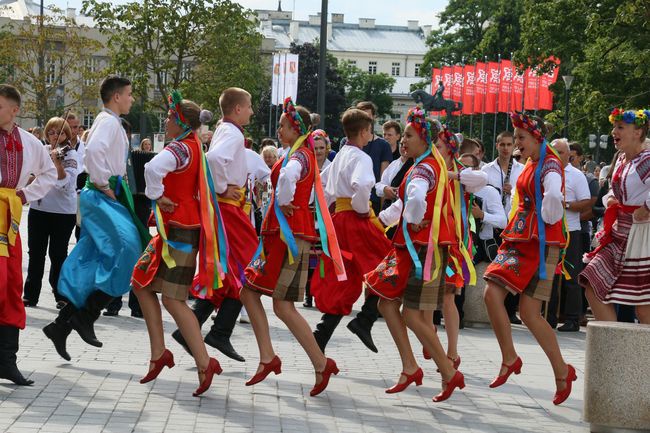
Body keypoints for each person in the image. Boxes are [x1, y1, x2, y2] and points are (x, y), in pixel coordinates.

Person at [42, 76, 149, 361]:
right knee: (129, 250)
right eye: (128, 94)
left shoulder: (109, 121)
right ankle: (86, 315)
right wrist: (103, 183)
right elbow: (94, 154)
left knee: (96, 256)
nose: (131, 99)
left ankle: (62, 325)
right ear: (116, 96)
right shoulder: (110, 122)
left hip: (103, 195)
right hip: (100, 195)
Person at [242, 97, 344, 396]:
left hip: (287, 234)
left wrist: (284, 201)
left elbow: (287, 179)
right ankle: (276, 358)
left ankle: (313, 361)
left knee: (278, 303)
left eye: (282, 125)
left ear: (295, 128)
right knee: (254, 292)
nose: (279, 129)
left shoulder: (299, 156)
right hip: (285, 233)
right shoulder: (298, 154)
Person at [365, 108, 465, 401]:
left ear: (423, 138)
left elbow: (417, 199)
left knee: (410, 313)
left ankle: (447, 370)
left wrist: (412, 218)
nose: (404, 141)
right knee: (385, 303)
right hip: (414, 247)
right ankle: (411, 366)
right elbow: (407, 202)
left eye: (408, 135)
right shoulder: (426, 164)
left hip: (421, 249)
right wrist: (380, 221)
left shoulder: (423, 168)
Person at [131, 91, 222, 397]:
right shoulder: (194, 145)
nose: (166, 121)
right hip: (177, 229)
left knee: (173, 299)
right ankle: (160, 353)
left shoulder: (181, 148)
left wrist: (157, 195)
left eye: (169, 117)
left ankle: (204, 361)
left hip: (179, 230)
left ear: (180, 121)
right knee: (141, 282)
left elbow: (151, 169)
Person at [483, 112, 576, 406]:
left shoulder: (549, 164)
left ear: (536, 137)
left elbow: (552, 202)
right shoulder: (533, 162)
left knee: (529, 313)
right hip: (520, 240)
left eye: (521, 138)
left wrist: (547, 204)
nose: (517, 143)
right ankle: (511, 357)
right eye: (516, 137)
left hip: (541, 243)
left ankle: (561, 371)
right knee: (491, 293)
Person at [171, 88, 257, 363]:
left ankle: (198, 328)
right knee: (248, 266)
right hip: (228, 209)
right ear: (238, 109)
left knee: (229, 270)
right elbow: (215, 159)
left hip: (226, 207)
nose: (253, 111)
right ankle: (219, 331)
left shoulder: (225, 130)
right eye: (250, 106)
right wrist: (222, 188)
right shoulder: (232, 133)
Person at [309, 109, 392, 353]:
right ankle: (365, 319)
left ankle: (321, 334)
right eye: (370, 130)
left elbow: (322, 184)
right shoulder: (362, 157)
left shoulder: (342, 154)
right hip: (355, 219)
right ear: (364, 131)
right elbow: (363, 185)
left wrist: (327, 212)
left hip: (338, 220)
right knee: (388, 264)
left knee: (345, 275)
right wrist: (362, 209)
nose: (372, 135)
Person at [0, 84, 56, 385]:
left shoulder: (29, 143)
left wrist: (24, 194)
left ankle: (7, 360)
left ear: (14, 110)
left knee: (10, 285)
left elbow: (49, 173)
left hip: (9, 220)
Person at [581, 108, 650, 323]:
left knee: (643, 306)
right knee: (592, 282)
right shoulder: (622, 159)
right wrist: (610, 199)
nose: (614, 132)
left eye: (620, 127)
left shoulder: (646, 159)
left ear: (638, 132)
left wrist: (647, 207)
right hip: (619, 232)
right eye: (614, 127)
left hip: (642, 235)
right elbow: (614, 189)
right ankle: (612, 345)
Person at [432, 126, 486, 367]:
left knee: (447, 297)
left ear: (450, 150)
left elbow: (482, 179)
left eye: (439, 146)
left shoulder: (461, 173)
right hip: (428, 243)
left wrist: (451, 175)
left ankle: (452, 351)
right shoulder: (428, 169)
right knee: (423, 298)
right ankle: (430, 340)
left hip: (452, 247)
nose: (435, 150)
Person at [22, 117, 79, 309]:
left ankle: (61, 295)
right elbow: (31, 174)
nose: (55, 137)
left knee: (58, 254)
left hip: (63, 212)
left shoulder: (70, 155)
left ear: (67, 135)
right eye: (51, 133)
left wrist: (57, 164)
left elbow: (66, 184)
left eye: (60, 133)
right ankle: (30, 295)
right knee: (36, 253)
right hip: (39, 209)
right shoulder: (43, 151)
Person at [482, 131, 525, 324]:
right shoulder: (487, 170)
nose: (506, 148)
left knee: (513, 267)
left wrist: (513, 191)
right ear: (497, 145)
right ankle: (494, 308)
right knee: (497, 267)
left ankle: (510, 310)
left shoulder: (521, 169)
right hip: (493, 224)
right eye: (503, 145)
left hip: (515, 224)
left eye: (509, 144)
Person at [548, 139, 591, 332]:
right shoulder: (547, 171)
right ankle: (548, 317)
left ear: (569, 155)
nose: (557, 156)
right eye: (554, 152)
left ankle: (573, 318)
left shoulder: (576, 176)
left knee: (571, 277)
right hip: (550, 231)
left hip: (570, 232)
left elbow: (586, 203)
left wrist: (564, 204)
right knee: (549, 276)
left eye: (561, 152)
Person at [356, 101, 393, 214]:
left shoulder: (383, 145)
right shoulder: (347, 143)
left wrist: (382, 211)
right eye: (361, 116)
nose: (364, 120)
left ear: (373, 117)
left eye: (367, 116)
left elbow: (384, 180)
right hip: (352, 200)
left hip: (374, 202)